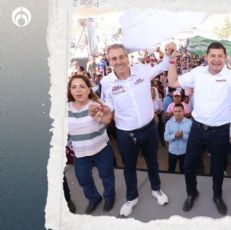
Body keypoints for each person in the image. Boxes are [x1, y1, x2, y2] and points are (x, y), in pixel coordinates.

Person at [167, 41, 231, 215]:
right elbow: (173, 82)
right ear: (206, 57)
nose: (216, 59)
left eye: (220, 56)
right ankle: (192, 192)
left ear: (225, 58)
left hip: (220, 131)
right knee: (189, 166)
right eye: (213, 55)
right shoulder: (197, 73)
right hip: (198, 129)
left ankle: (217, 196)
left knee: (218, 168)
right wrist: (172, 60)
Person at [96, 42, 175, 217]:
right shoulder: (106, 82)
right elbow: (108, 106)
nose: (118, 61)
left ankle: (156, 189)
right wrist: (101, 112)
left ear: (127, 57)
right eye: (113, 58)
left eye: (121, 57)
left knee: (152, 162)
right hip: (125, 133)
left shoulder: (142, 70)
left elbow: (163, 65)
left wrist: (169, 53)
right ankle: (132, 197)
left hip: (149, 129)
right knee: (129, 167)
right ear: (109, 61)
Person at [67, 74, 115, 214]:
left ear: (89, 89)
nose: (78, 90)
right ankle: (94, 198)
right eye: (74, 87)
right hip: (80, 153)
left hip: (101, 149)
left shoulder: (96, 104)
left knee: (106, 175)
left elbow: (108, 119)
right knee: (83, 179)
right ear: (70, 91)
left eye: (82, 86)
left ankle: (109, 196)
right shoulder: (65, 108)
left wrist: (99, 116)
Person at [164, 103, 192, 173]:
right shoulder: (169, 123)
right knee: (171, 170)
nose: (177, 113)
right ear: (173, 112)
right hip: (172, 152)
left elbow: (192, 139)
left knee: (184, 171)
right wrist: (174, 136)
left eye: (179, 111)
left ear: (183, 112)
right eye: (175, 111)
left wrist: (183, 136)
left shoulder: (189, 123)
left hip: (184, 152)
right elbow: (166, 137)